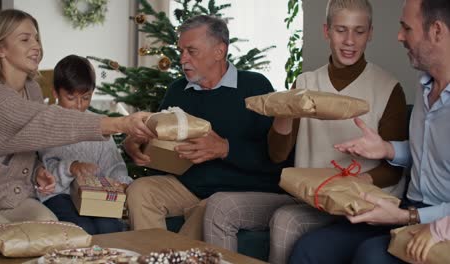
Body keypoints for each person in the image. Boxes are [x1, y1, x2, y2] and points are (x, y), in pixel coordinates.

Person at [203, 0, 408, 263]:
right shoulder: (305, 83)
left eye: (359, 31)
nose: (349, 41)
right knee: (220, 205)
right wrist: (283, 114)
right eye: (340, 30)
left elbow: (393, 169)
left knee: (287, 220)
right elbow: (277, 155)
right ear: (326, 31)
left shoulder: (388, 88)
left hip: (355, 204)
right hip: (305, 198)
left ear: (370, 33)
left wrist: (340, 187)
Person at [289, 0, 450, 263]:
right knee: (309, 250)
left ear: (437, 31)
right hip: (406, 210)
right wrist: (387, 149)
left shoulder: (390, 87)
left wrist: (416, 219)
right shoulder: (425, 88)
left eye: (406, 28)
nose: (399, 36)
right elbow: (431, 154)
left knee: (371, 256)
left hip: (434, 219)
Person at [0, 9, 154, 246]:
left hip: (18, 197)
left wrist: (38, 171)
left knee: (57, 236)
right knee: (8, 242)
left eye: (36, 38)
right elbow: (43, 121)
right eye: (24, 39)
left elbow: (23, 146)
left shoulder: (31, 90)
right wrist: (119, 123)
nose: (36, 46)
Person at [123, 15, 285, 239]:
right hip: (188, 186)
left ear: (219, 51)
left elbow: (278, 158)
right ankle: (154, 255)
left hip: (237, 191)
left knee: (209, 209)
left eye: (191, 51)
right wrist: (138, 147)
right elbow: (161, 151)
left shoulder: (256, 86)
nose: (182, 59)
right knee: (141, 190)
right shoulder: (178, 90)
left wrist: (225, 148)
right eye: (181, 51)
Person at [38, 55, 133, 235]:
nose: (79, 106)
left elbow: (114, 165)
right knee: (83, 229)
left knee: (109, 227)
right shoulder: (47, 123)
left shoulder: (98, 125)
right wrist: (71, 167)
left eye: (86, 97)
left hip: (93, 195)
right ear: (56, 93)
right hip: (58, 195)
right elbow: (43, 171)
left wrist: (120, 183)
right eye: (71, 98)